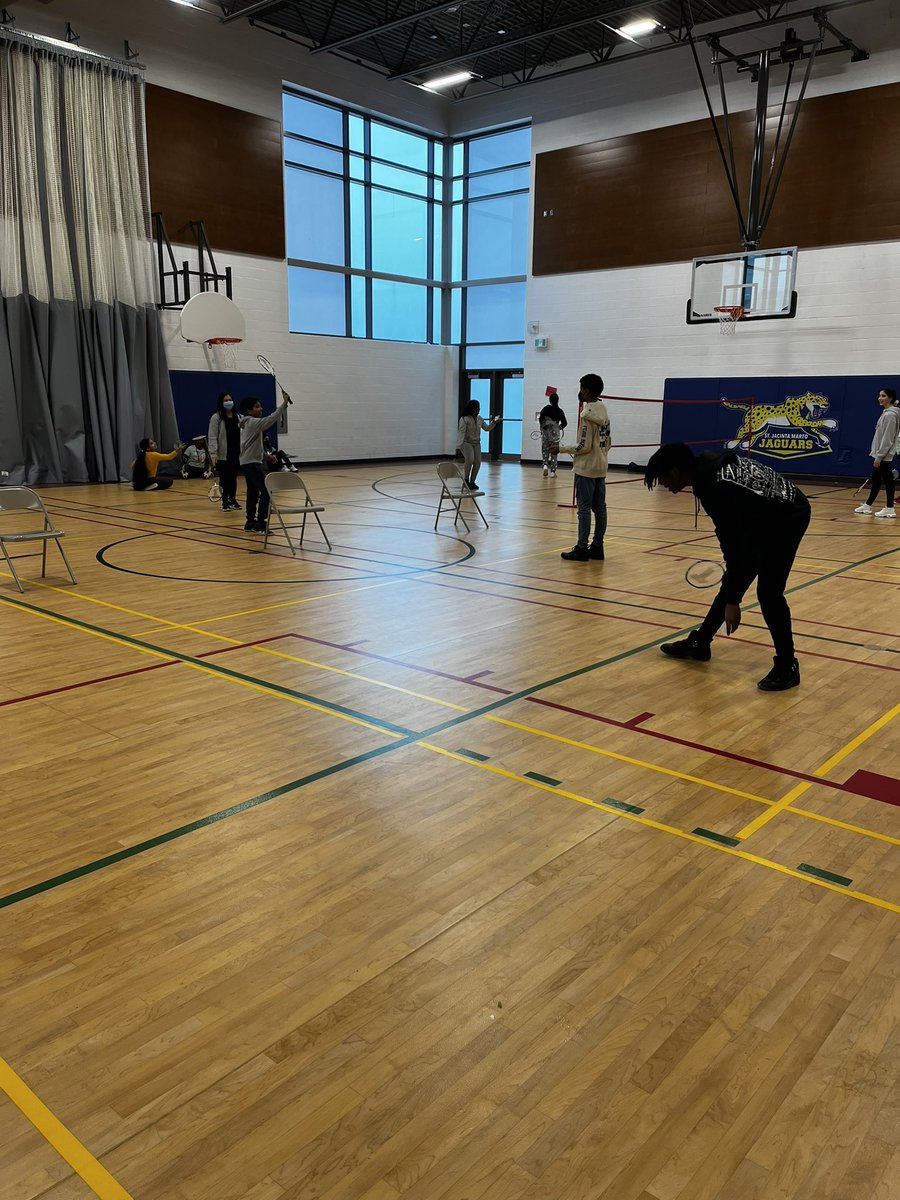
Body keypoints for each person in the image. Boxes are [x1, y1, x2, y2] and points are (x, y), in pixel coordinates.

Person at [644, 443, 811, 692]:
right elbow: (737, 548)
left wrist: (733, 601)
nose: (663, 485)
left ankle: (788, 666)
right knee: (736, 577)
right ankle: (701, 643)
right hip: (763, 516)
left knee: (768, 593)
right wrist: (732, 590)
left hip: (788, 518)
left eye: (663, 478)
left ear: (676, 470)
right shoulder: (706, 470)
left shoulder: (715, 487)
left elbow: (734, 546)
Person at [558, 374, 611, 561]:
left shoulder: (587, 414)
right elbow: (608, 442)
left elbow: (583, 446)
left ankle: (581, 548)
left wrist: (560, 448)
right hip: (601, 466)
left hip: (587, 468)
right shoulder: (604, 410)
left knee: (584, 509)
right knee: (600, 509)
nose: (580, 392)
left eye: (581, 388)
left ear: (586, 390)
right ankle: (597, 547)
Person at [239, 389, 292, 532]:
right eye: (257, 406)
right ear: (249, 410)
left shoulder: (248, 424)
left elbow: (252, 448)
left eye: (260, 406)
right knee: (267, 490)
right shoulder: (252, 422)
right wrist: (284, 404)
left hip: (248, 462)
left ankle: (250, 522)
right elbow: (270, 419)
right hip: (251, 464)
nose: (261, 408)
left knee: (253, 492)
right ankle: (260, 522)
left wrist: (268, 457)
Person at [854, 386, 899, 518]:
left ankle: (890, 508)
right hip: (880, 454)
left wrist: (879, 457)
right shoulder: (886, 413)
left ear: (890, 398)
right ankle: (868, 505)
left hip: (884, 456)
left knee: (887, 481)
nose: (880, 398)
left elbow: (887, 439)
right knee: (877, 481)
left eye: (884, 396)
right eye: (880, 395)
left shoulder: (890, 415)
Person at [207, 392, 242, 512]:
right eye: (226, 400)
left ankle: (233, 499)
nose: (229, 402)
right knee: (224, 479)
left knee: (233, 478)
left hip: (236, 453)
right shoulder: (216, 417)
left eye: (230, 399)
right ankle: (225, 501)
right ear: (221, 403)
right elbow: (212, 436)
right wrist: (213, 454)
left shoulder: (239, 417)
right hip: (222, 454)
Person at [456, 400, 500, 489]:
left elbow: (487, 428)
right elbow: (461, 433)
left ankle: (472, 482)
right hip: (466, 442)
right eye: (476, 409)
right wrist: (458, 446)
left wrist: (494, 422)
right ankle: (466, 480)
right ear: (471, 409)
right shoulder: (464, 419)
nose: (478, 410)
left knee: (478, 462)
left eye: (479, 408)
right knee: (470, 459)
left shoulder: (479, 418)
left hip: (476, 443)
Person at [538, 391, 567, 477]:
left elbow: (540, 419)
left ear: (550, 400)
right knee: (554, 452)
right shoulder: (560, 411)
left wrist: (543, 428)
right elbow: (565, 423)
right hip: (555, 435)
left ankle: (545, 465)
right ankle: (553, 472)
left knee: (545, 450)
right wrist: (559, 427)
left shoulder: (546, 409)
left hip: (546, 434)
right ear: (558, 401)